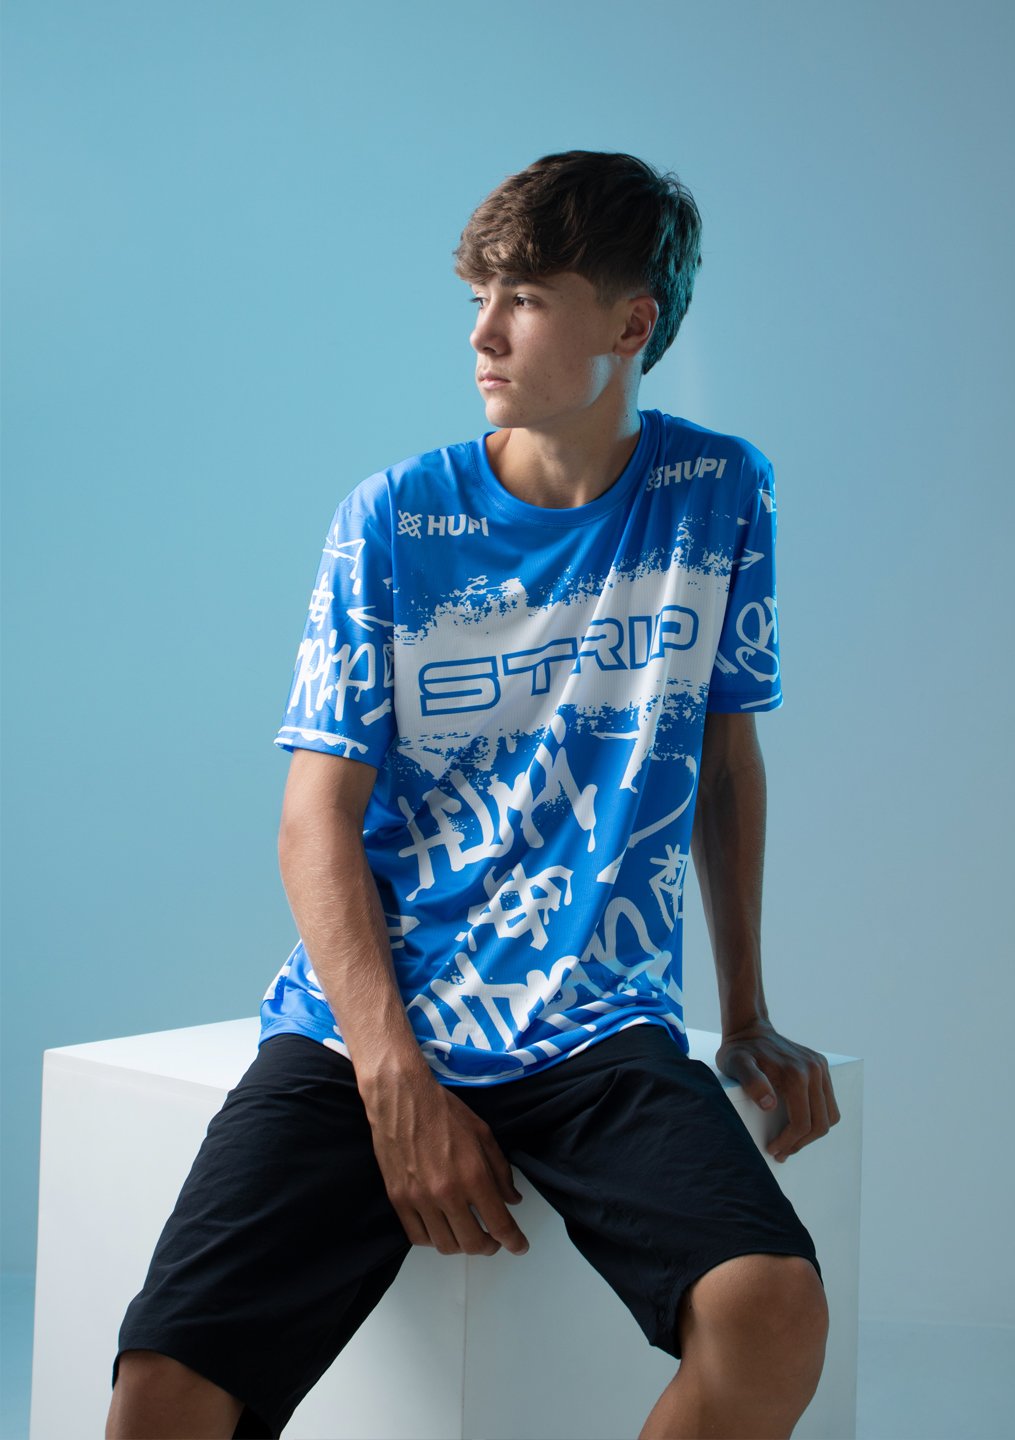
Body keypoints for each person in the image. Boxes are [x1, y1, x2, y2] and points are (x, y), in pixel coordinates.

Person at [107, 149, 840, 1440]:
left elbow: (725, 761)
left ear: (631, 325)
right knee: (162, 1398)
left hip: (595, 1021)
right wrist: (395, 1081)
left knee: (772, 1311)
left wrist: (749, 1012)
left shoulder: (719, 493)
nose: (483, 334)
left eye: (528, 298)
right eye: (478, 296)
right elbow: (314, 818)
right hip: (367, 1025)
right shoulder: (392, 519)